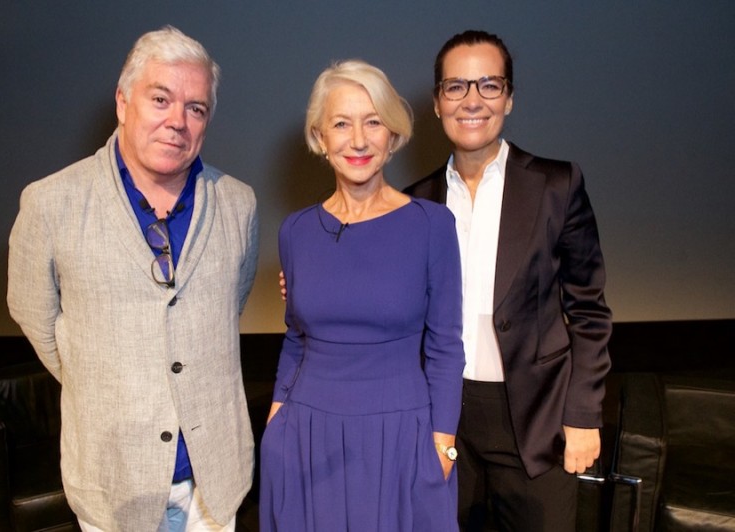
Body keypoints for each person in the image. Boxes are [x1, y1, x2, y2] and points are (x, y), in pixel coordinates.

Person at [7, 26, 258, 532]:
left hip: (215, 483)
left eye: (196, 108)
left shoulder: (239, 203)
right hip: (114, 484)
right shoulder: (51, 203)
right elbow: (36, 318)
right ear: (123, 102)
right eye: (160, 99)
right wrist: (112, 381)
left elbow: (228, 307)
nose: (177, 121)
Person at [403, 30, 612, 531]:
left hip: (537, 419)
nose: (472, 100)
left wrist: (583, 414)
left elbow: (589, 311)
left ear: (509, 98)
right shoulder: (412, 203)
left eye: (489, 85)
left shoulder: (556, 185)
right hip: (442, 417)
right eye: (456, 87)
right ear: (437, 103)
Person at [259, 60, 464, 532]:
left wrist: (444, 445)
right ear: (320, 137)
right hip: (306, 438)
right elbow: (295, 339)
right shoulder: (295, 231)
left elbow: (446, 347)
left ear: (392, 135)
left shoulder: (432, 226)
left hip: (401, 439)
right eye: (341, 123)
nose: (358, 140)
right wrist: (276, 424)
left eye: (373, 122)